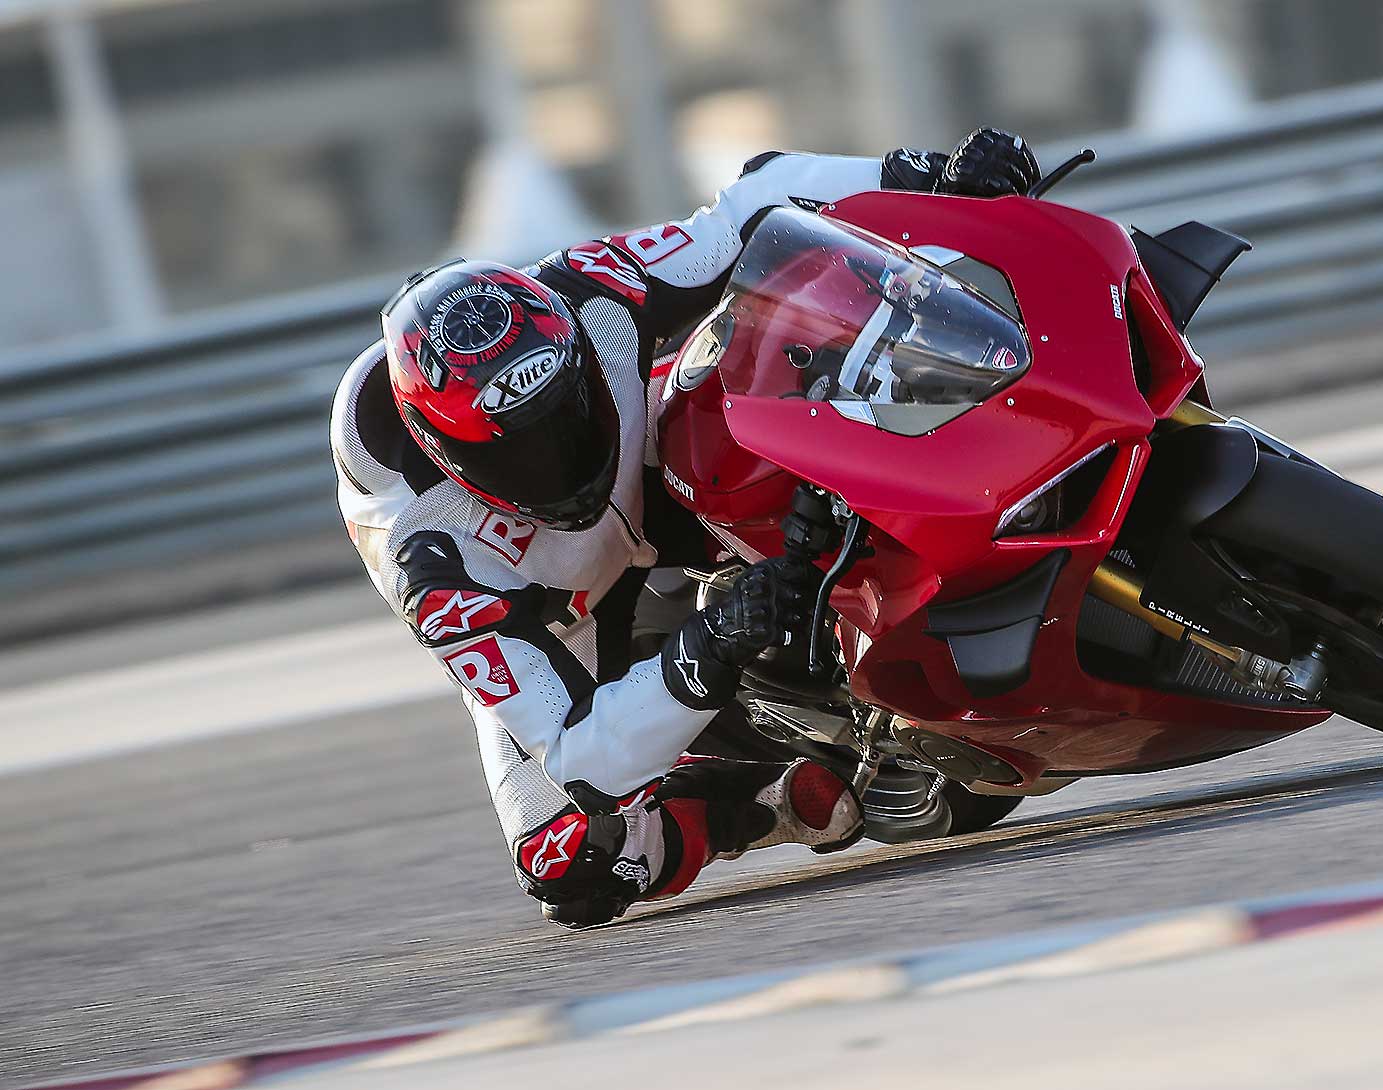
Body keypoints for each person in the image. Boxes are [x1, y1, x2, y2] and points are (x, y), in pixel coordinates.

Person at [328, 129, 1041, 928]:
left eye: (568, 412)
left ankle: (963, 516)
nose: (558, 459)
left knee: (776, 354)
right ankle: (784, 802)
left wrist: (923, 173)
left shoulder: (590, 293)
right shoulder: (430, 558)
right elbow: (582, 757)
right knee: (569, 862)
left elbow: (750, 206)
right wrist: (713, 644)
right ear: (441, 451)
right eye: (520, 454)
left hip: (654, 478)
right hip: (562, 613)